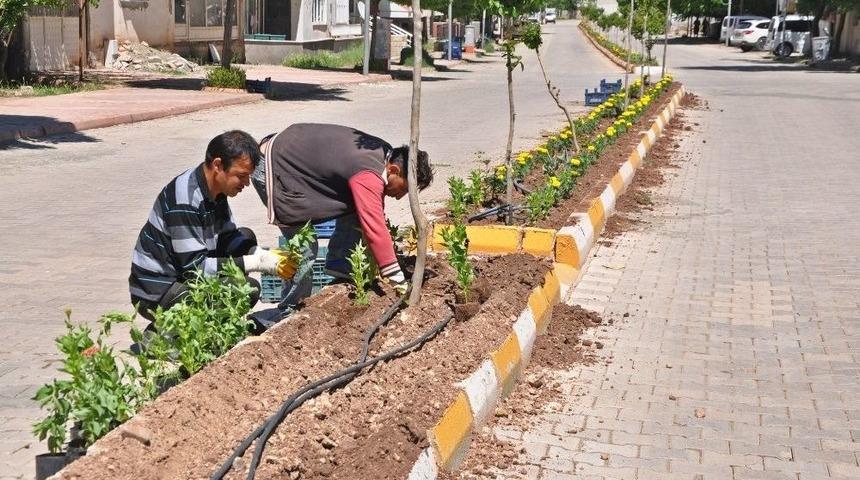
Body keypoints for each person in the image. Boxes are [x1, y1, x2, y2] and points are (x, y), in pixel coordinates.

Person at [251, 123, 434, 309]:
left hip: (290, 156)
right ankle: (288, 311)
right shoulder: (369, 172)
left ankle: (343, 273)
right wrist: (398, 281)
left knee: (356, 211)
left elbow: (371, 211)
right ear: (393, 170)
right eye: (403, 189)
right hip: (275, 168)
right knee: (305, 248)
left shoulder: (383, 153)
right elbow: (374, 225)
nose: (399, 197)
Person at [129, 130, 295, 323]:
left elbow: (228, 237)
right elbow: (195, 270)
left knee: (245, 237)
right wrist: (257, 262)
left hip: (181, 274)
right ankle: (161, 336)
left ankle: (202, 323)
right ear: (218, 165)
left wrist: (260, 253)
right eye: (241, 176)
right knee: (245, 290)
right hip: (157, 290)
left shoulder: (216, 189)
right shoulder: (185, 200)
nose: (247, 183)